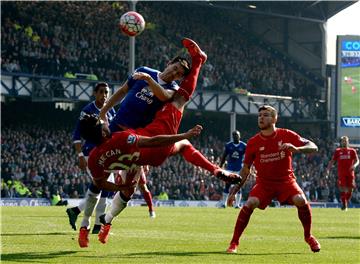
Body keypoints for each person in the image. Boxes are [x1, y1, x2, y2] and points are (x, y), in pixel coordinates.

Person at [78, 38, 241, 247]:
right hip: (117, 131)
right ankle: (84, 226)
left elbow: (163, 94)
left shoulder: (170, 89)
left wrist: (148, 79)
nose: (175, 74)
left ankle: (107, 221)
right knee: (97, 182)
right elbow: (121, 92)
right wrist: (103, 114)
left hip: (137, 138)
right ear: (168, 63)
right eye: (174, 68)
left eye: (179, 74)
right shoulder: (144, 70)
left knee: (128, 191)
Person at [226, 105, 321, 254]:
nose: (261, 118)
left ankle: (308, 236)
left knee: (301, 200)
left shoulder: (286, 134)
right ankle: (234, 242)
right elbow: (245, 170)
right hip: (264, 183)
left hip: (286, 181)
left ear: (275, 118)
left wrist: (297, 149)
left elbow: (313, 146)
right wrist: (234, 190)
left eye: (266, 115)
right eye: (259, 115)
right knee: (250, 203)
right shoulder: (253, 142)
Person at [66, 82, 116, 234]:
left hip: (107, 155)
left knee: (103, 189)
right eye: (101, 92)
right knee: (103, 186)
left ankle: (78, 213)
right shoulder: (88, 110)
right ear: (95, 93)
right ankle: (96, 225)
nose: (104, 95)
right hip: (91, 154)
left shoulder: (111, 110)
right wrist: (80, 155)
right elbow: (76, 134)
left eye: (106, 92)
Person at [326, 136, 359, 211]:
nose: (344, 142)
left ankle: (345, 202)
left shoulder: (352, 151)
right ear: (341, 142)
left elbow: (357, 161)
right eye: (343, 141)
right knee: (342, 188)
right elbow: (332, 161)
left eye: (346, 141)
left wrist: (354, 165)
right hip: (341, 173)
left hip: (350, 173)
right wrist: (328, 169)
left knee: (350, 189)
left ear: (348, 142)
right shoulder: (338, 151)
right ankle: (344, 205)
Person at [219, 130, 246, 208]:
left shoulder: (244, 146)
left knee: (238, 187)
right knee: (227, 185)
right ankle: (223, 204)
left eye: (237, 135)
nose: (235, 137)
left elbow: (248, 157)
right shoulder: (228, 145)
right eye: (234, 135)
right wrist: (220, 166)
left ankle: (237, 205)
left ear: (239, 136)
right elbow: (224, 156)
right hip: (230, 169)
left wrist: (247, 166)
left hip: (239, 169)